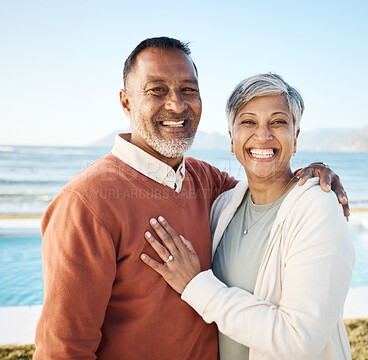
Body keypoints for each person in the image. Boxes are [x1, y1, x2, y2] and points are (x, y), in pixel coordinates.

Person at [34, 37, 348, 360]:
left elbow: (267, 184)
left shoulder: (208, 183)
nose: (177, 104)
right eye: (157, 89)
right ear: (126, 102)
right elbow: (63, 350)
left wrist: (314, 173)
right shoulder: (86, 202)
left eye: (188, 89)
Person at [141, 73, 354, 360]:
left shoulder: (318, 208)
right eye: (248, 122)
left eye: (278, 122)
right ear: (232, 140)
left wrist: (196, 286)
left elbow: (299, 339)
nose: (263, 135)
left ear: (296, 136)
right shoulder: (224, 206)